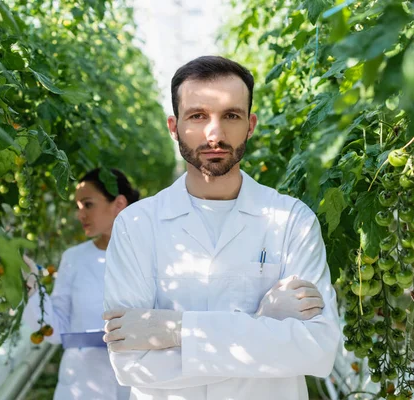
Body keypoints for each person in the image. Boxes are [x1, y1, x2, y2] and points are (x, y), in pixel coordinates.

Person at [101, 56, 341, 400]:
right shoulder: (136, 225)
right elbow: (131, 364)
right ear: (174, 126)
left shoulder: (292, 220)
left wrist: (176, 330)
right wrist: (265, 322)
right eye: (198, 116)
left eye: (231, 115)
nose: (214, 134)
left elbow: (318, 350)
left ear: (250, 124)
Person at [22, 168, 139, 400]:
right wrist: (33, 287)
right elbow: (57, 329)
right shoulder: (73, 258)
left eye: (87, 204)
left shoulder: (150, 256)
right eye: (78, 207)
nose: (80, 215)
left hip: (135, 384)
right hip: (82, 385)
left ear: (118, 204)